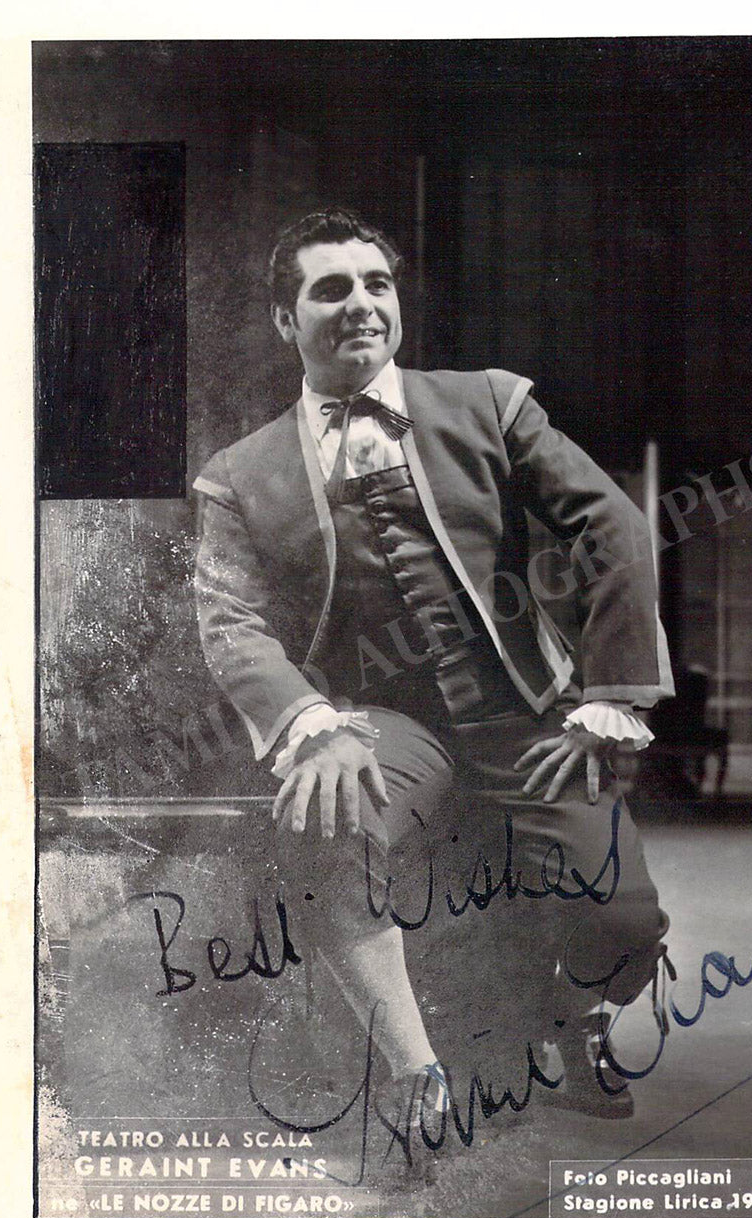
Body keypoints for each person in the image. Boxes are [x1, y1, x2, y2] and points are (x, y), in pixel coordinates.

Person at [192, 207, 674, 1166]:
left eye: (377, 284)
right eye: (331, 289)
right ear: (286, 319)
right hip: (376, 722)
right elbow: (230, 620)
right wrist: (311, 724)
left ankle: (575, 1017)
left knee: (623, 919)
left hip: (523, 713)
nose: (361, 305)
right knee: (331, 820)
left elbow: (612, 525)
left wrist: (608, 696)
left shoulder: (489, 403)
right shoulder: (239, 474)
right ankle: (417, 1076)